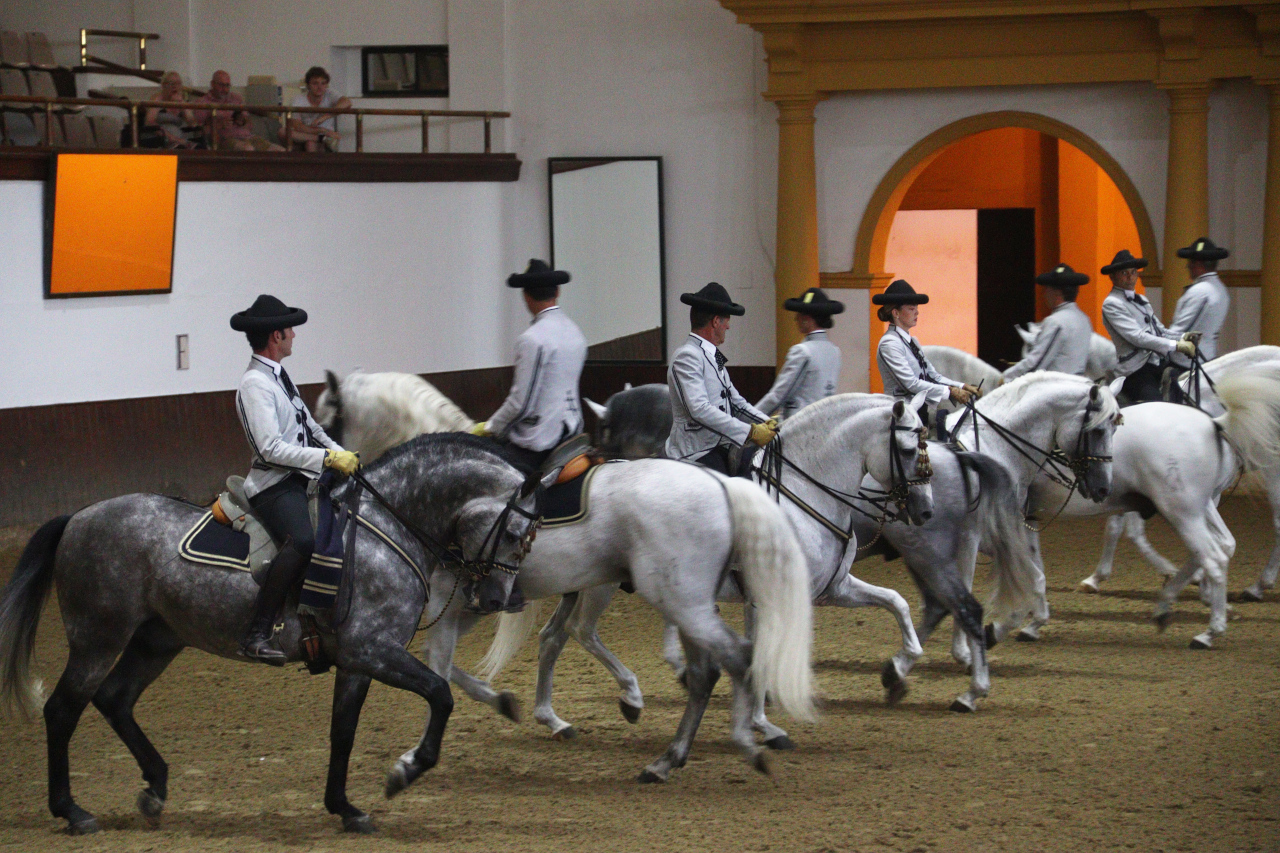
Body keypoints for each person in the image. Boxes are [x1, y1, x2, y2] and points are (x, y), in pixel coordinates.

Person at [230, 294, 358, 664]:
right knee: (303, 540)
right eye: (290, 330)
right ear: (276, 336)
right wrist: (326, 458)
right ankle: (257, 632)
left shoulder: (278, 377)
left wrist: (343, 455)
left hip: (300, 477)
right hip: (273, 485)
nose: (294, 335)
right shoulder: (254, 384)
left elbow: (311, 428)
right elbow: (270, 449)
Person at [471, 260, 588, 471]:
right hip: (573, 431)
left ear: (525, 296)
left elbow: (521, 404)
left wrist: (490, 427)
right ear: (557, 291)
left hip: (540, 439)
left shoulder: (532, 339)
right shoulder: (575, 331)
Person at [666, 282, 776, 476]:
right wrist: (749, 432)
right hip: (696, 451)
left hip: (721, 444)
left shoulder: (714, 355)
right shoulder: (686, 356)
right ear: (716, 321)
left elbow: (736, 402)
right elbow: (699, 409)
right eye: (727, 320)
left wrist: (768, 423)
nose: (728, 326)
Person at [874, 279, 979, 436]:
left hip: (919, 412)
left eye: (916, 308)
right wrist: (949, 392)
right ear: (896, 313)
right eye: (911, 308)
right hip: (902, 417)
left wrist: (961, 386)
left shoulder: (912, 341)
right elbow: (911, 383)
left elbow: (932, 375)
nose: (917, 312)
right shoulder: (889, 343)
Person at [1100, 249, 1197, 403]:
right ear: (1113, 276)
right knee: (1155, 405)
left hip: (1156, 363)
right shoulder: (1112, 303)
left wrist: (1183, 336)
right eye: (1124, 273)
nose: (1130, 277)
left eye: (1133, 272)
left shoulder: (1141, 300)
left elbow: (1159, 330)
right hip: (1135, 370)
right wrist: (1176, 345)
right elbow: (1137, 337)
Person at [756, 287, 844, 420]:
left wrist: (748, 417)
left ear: (807, 318)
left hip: (799, 423)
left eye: (799, 315)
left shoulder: (802, 351)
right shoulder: (834, 350)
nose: (796, 319)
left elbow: (778, 395)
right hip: (826, 420)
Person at [1001, 264, 1094, 382]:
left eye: (1047, 289)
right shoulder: (1084, 319)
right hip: (1080, 383)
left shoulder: (1056, 321)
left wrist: (1005, 377)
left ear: (1057, 292)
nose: (1044, 294)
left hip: (1056, 386)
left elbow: (1036, 363)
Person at [1167, 237, 1231, 362]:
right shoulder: (1221, 289)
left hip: (1187, 361)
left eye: (1190, 262)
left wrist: (1153, 341)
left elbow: (1180, 331)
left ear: (1198, 264)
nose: (1188, 266)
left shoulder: (1199, 291)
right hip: (1208, 354)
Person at [193, 70, 284, 152]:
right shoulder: (202, 103)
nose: (225, 89)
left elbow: (249, 124)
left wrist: (243, 121)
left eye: (227, 85)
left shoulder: (236, 98)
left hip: (247, 137)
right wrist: (219, 125)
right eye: (221, 85)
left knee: (280, 151)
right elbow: (199, 132)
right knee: (248, 149)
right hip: (223, 140)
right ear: (212, 84)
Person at [281, 66, 351, 152]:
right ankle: (322, 138)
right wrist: (322, 131)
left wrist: (324, 117)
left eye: (323, 83)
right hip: (308, 134)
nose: (320, 87)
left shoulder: (330, 93)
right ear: (308, 85)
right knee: (282, 131)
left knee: (310, 143)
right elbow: (297, 126)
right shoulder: (298, 99)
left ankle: (321, 141)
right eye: (315, 83)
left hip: (323, 137)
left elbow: (347, 102)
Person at [143, 70, 200, 149]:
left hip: (180, 139)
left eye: (178, 83)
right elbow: (149, 122)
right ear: (163, 85)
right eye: (171, 83)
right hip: (158, 138)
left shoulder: (181, 100)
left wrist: (181, 103)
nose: (175, 86)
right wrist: (173, 139)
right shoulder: (157, 99)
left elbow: (193, 123)